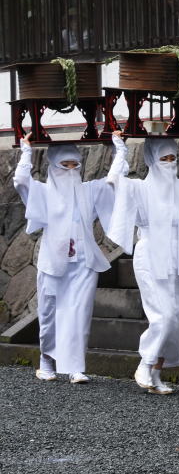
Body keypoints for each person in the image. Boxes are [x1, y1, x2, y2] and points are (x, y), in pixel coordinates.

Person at [106, 132, 179, 395]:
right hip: (149, 256)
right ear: (151, 160)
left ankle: (157, 372)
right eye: (163, 159)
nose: (169, 163)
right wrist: (120, 151)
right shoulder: (139, 188)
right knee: (163, 315)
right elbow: (114, 181)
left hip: (176, 257)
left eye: (172, 158)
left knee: (174, 317)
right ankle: (145, 363)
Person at [12, 134, 126, 384]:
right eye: (66, 165)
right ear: (54, 166)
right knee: (50, 311)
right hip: (53, 262)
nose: (72, 170)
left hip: (84, 263)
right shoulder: (43, 192)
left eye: (76, 165)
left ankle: (75, 366)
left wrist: (120, 148)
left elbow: (113, 182)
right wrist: (27, 151)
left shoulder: (88, 191)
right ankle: (46, 360)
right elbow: (21, 181)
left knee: (79, 314)